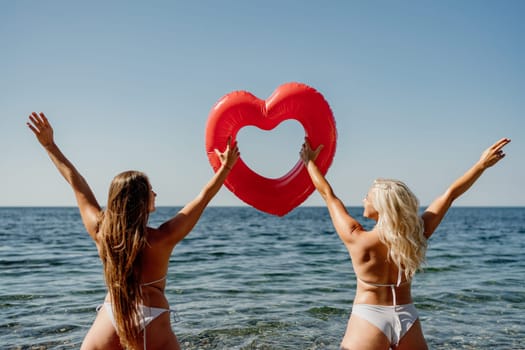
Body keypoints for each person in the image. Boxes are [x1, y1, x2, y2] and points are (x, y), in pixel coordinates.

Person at [27, 112, 239, 350]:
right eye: (150, 190)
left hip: (111, 316)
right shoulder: (162, 238)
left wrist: (50, 145)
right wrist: (226, 168)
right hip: (152, 319)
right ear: (140, 200)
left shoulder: (101, 233)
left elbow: (76, 183)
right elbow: (203, 198)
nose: (155, 193)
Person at [300, 136, 510, 350]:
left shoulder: (358, 238)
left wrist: (309, 162)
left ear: (381, 206)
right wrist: (481, 165)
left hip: (369, 317)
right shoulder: (417, 234)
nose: (363, 200)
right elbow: (450, 194)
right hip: (407, 317)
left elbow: (328, 195)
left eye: (368, 197)